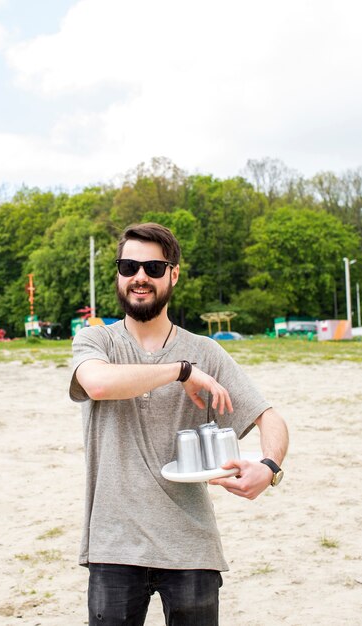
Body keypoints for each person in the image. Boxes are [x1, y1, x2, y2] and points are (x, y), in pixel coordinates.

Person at [69, 222, 288, 626]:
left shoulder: (207, 351)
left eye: (153, 268)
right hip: (113, 545)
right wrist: (182, 372)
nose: (139, 277)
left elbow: (269, 417)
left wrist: (270, 467)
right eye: (128, 265)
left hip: (192, 547)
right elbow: (98, 384)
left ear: (174, 274)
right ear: (118, 273)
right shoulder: (97, 341)